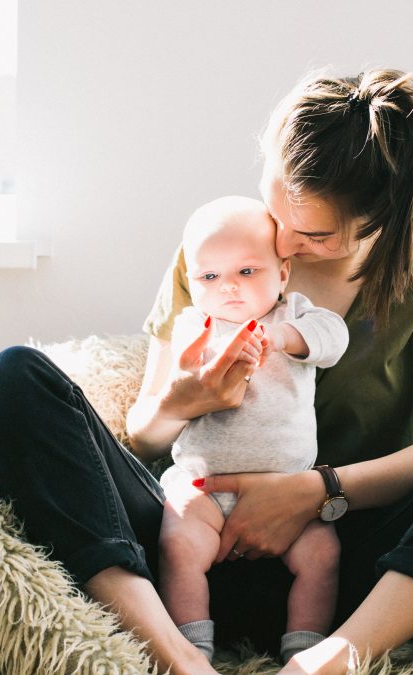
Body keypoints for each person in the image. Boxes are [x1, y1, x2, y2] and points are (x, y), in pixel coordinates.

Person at [0, 67, 413, 675]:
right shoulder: (219, 252)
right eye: (275, 208)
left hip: (346, 571)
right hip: (184, 549)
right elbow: (143, 436)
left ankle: (330, 661)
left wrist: (317, 492)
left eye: (312, 233)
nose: (281, 242)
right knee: (9, 380)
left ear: (379, 221)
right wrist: (183, 402)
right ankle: (173, 654)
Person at [157, 195, 348, 664]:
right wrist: (198, 355)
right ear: (190, 281)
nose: (228, 288)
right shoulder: (194, 324)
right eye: (209, 276)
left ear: (282, 273)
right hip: (205, 488)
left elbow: (334, 338)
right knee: (176, 547)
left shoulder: (294, 316)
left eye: (247, 272)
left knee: (323, 556)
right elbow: (179, 369)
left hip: (290, 492)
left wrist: (283, 338)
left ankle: (304, 649)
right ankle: (193, 648)